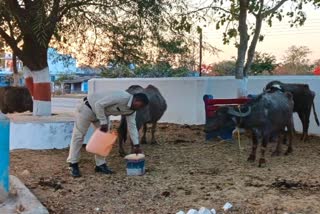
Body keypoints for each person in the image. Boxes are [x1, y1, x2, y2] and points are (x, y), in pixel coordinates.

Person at [67, 90, 149, 177]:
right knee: (79, 136)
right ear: (136, 100)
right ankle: (73, 164)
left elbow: (132, 126)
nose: (140, 109)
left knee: (104, 139)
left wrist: (136, 144)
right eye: (141, 106)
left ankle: (100, 165)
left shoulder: (132, 111)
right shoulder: (122, 96)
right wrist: (103, 122)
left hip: (102, 113)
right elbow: (98, 104)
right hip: (87, 108)